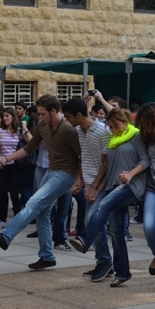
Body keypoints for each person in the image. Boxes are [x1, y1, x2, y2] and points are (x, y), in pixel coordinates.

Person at [0, 94, 81, 270]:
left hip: (66, 174)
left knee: (34, 202)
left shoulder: (68, 129)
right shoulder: (42, 126)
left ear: (54, 111)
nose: (40, 117)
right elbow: (28, 148)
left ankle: (6, 236)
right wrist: (5, 158)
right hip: (50, 171)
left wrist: (79, 180)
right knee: (42, 213)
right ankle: (47, 256)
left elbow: (81, 156)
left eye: (43, 114)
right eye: (38, 113)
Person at [69, 108, 149, 287]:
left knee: (102, 207)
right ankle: (122, 273)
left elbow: (145, 161)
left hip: (131, 186)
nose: (113, 130)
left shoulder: (136, 136)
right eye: (110, 127)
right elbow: (110, 170)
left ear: (124, 120)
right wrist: (97, 188)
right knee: (116, 232)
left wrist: (130, 174)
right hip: (113, 185)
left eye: (115, 126)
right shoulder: (113, 140)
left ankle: (84, 239)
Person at [62, 98, 113, 281]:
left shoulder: (102, 131)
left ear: (78, 115)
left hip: (103, 184)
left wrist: (94, 187)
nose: (66, 120)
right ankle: (104, 262)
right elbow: (84, 157)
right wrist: (79, 179)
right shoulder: (78, 130)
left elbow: (106, 163)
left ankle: (105, 262)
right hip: (89, 182)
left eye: (68, 116)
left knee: (94, 219)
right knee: (93, 221)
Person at [134, 103, 155, 292]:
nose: (146, 128)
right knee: (149, 226)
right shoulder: (144, 138)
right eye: (143, 124)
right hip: (153, 188)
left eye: (148, 123)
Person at [0, 107, 27, 229]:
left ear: (13, 117)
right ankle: (2, 219)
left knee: (14, 192)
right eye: (4, 116)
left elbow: (31, 143)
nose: (5, 118)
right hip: (3, 165)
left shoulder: (19, 131)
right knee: (2, 192)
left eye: (7, 116)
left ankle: (17, 219)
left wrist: (25, 128)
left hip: (16, 165)